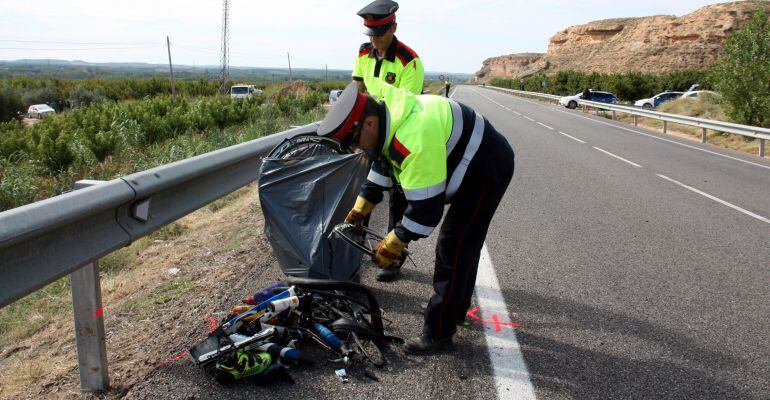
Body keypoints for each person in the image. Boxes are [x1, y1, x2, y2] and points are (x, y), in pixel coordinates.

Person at [318, 82, 515, 354]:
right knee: (462, 244)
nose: (355, 149)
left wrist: (394, 242)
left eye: (353, 141)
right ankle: (453, 306)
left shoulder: (412, 139)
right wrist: (362, 207)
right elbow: (383, 163)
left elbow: (426, 210)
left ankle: (440, 330)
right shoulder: (390, 117)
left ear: (369, 124)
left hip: (486, 168)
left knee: (455, 244)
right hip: (469, 158)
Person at [352, 0, 426, 282]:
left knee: (399, 199)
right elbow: (358, 90)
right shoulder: (363, 53)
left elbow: (405, 111)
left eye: (380, 32)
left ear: (393, 27)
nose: (374, 40)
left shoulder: (409, 61)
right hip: (370, 136)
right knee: (366, 194)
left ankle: (393, 258)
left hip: (399, 139)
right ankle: (355, 253)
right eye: (370, 33)